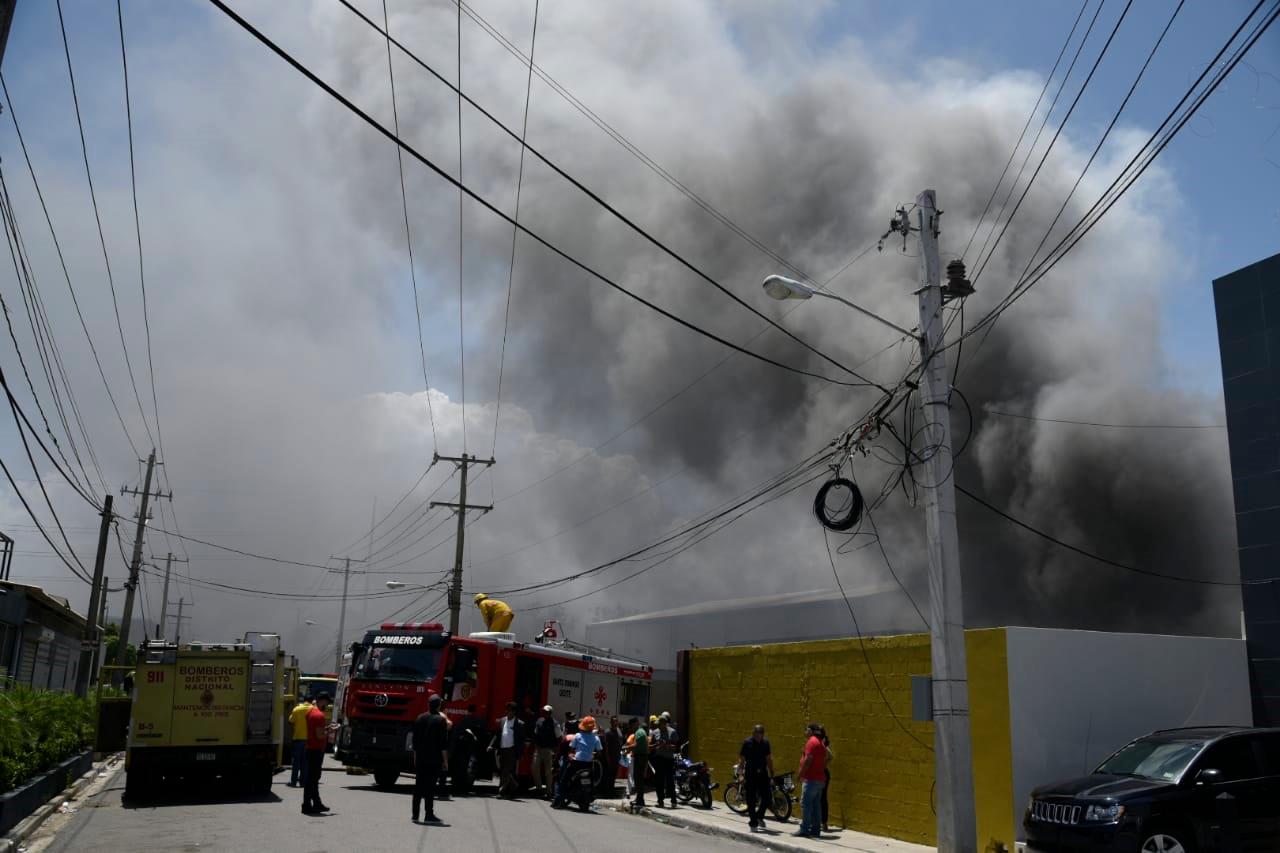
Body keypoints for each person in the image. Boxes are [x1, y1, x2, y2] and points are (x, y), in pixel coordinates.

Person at [411, 694, 449, 823]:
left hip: (421, 758)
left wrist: (415, 757)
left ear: (428, 705)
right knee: (430, 788)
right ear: (438, 705)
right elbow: (443, 744)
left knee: (418, 786)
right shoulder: (441, 721)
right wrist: (445, 761)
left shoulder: (420, 718)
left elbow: (415, 742)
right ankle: (429, 814)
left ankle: (415, 815)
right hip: (434, 759)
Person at [553, 715, 601, 809]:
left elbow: (571, 749)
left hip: (577, 763)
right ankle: (591, 795)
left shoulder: (578, 736)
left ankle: (558, 801)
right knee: (592, 781)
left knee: (563, 780)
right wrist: (592, 754)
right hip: (588, 764)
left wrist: (571, 754)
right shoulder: (596, 738)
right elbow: (599, 753)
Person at [301, 693, 332, 815]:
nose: (327, 705)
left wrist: (326, 728)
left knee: (312, 778)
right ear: (322, 701)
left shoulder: (310, 712)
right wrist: (331, 731)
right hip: (316, 750)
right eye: (327, 702)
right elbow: (320, 736)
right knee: (312, 779)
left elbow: (316, 731)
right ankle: (307, 805)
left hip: (310, 748)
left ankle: (316, 803)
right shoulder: (319, 715)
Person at [795, 722, 828, 838]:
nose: (805, 732)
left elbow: (808, 760)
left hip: (811, 779)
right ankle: (815, 829)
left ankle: (804, 829)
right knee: (816, 805)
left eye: (807, 730)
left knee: (806, 804)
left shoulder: (811, 742)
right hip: (820, 779)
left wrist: (800, 774)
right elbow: (825, 760)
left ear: (812, 731)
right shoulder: (821, 744)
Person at [739, 724, 774, 832]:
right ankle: (753, 823)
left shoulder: (765, 743)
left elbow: (768, 758)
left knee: (767, 797)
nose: (759, 736)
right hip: (750, 773)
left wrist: (771, 772)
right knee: (751, 799)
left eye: (761, 733)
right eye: (757, 733)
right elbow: (742, 759)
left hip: (762, 773)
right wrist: (741, 774)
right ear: (753, 733)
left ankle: (759, 816)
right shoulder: (747, 743)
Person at [492, 701, 525, 797]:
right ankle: (514, 786)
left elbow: (521, 740)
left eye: (509, 710)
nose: (507, 711)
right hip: (502, 749)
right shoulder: (502, 720)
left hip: (511, 750)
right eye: (506, 710)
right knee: (503, 771)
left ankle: (501, 791)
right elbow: (498, 735)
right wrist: (491, 745)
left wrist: (520, 753)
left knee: (506, 771)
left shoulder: (519, 724)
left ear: (513, 712)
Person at [649, 714, 679, 808]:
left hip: (669, 759)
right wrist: (656, 745)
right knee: (659, 781)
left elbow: (676, 747)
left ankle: (673, 800)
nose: (659, 726)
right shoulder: (655, 732)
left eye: (661, 724)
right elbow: (650, 746)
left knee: (670, 780)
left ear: (665, 723)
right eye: (659, 724)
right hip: (659, 759)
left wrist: (666, 745)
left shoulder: (672, 732)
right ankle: (660, 801)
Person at [532, 704, 559, 798]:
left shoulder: (555, 724)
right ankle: (539, 789)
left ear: (550, 713)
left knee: (548, 772)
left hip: (548, 750)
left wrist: (555, 750)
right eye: (543, 711)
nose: (544, 713)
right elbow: (535, 733)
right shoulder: (539, 721)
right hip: (538, 749)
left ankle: (549, 792)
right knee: (534, 768)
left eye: (546, 712)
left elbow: (558, 737)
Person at [288, 696, 315, 787]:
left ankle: (293, 782)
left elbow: (290, 721)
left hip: (298, 739)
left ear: (303, 701)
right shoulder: (314, 709)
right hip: (309, 740)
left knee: (296, 762)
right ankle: (303, 782)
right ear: (312, 701)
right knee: (305, 762)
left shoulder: (297, 709)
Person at [628, 717, 649, 809]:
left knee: (638, 779)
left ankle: (640, 800)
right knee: (638, 779)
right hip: (640, 757)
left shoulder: (639, 732)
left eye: (632, 726)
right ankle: (639, 799)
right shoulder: (640, 732)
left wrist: (625, 748)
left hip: (640, 757)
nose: (632, 728)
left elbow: (636, 745)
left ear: (635, 724)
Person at [600, 716, 623, 797]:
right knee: (608, 776)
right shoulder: (608, 732)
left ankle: (611, 790)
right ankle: (607, 792)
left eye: (616, 721)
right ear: (611, 722)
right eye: (614, 721)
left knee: (613, 776)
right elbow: (606, 747)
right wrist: (608, 759)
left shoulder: (619, 731)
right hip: (609, 758)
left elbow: (620, 743)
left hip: (616, 757)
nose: (615, 723)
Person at [818, 725, 834, 832]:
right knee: (821, 798)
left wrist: (823, 766)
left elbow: (830, 755)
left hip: (821, 774)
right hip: (822, 773)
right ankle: (822, 822)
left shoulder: (821, 744)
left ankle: (822, 822)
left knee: (821, 798)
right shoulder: (821, 743)